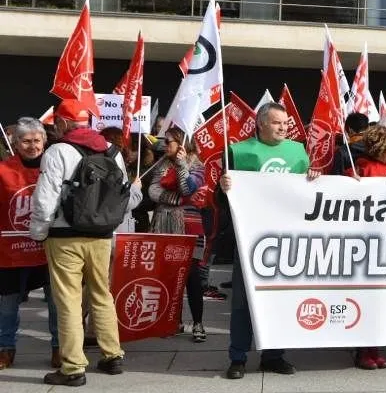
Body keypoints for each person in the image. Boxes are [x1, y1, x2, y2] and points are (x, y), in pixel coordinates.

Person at [29, 99, 142, 387]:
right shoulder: (112, 151)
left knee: (68, 300)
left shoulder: (57, 151)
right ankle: (112, 355)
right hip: (102, 235)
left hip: (64, 236)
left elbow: (45, 200)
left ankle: (72, 368)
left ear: (63, 123)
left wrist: (39, 232)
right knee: (102, 294)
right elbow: (122, 197)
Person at [219, 102, 320, 380]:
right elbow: (222, 199)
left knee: (279, 299)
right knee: (243, 302)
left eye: (286, 123)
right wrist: (223, 188)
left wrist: (314, 178)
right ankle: (238, 357)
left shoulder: (298, 151)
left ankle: (273, 356)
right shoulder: (238, 152)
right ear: (261, 123)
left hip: (286, 240)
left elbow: (305, 194)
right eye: (277, 123)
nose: (283, 128)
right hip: (250, 240)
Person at [0, 118, 59, 370]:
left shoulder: (54, 166)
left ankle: (59, 347)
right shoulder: (3, 170)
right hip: (11, 250)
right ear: (15, 142)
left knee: (56, 302)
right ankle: (5, 349)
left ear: (44, 141)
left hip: (49, 248)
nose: (32, 146)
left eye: (36, 140)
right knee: (7, 304)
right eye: (26, 141)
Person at [347, 125, 386, 370]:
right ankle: (363, 351)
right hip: (365, 241)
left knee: (381, 299)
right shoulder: (361, 167)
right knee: (366, 298)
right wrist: (352, 181)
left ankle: (375, 349)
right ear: (382, 147)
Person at [148, 127, 207, 342]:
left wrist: (182, 165)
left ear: (182, 143)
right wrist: (174, 199)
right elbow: (152, 191)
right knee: (169, 274)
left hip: (189, 226)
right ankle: (174, 321)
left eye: (169, 141)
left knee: (192, 275)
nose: (165, 145)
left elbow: (188, 189)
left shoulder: (197, 165)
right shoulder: (161, 164)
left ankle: (198, 323)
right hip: (164, 223)